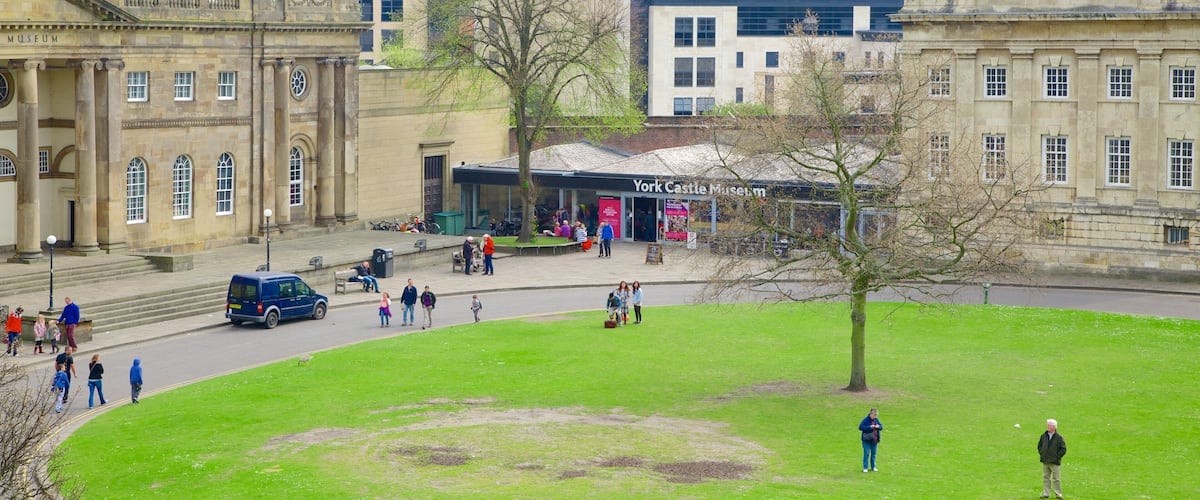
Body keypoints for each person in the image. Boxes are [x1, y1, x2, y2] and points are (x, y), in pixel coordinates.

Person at [1038, 418, 1067, 499]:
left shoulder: (1059, 437)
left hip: (1055, 462)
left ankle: (1058, 494)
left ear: (1054, 427)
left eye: (1049, 425)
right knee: (1046, 478)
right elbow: (1039, 446)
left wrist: (1057, 457)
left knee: (1056, 479)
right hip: (1045, 461)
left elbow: (1063, 449)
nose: (1048, 427)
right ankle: (1045, 493)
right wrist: (1042, 454)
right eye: (1048, 425)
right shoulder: (1043, 436)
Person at [859, 407, 883, 472]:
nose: (875, 417)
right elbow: (860, 427)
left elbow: (881, 427)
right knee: (866, 453)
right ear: (871, 414)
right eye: (874, 415)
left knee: (873, 454)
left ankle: (873, 467)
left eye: (876, 415)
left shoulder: (876, 420)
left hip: (874, 440)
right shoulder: (866, 420)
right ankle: (865, 467)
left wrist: (878, 427)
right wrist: (870, 427)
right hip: (866, 440)